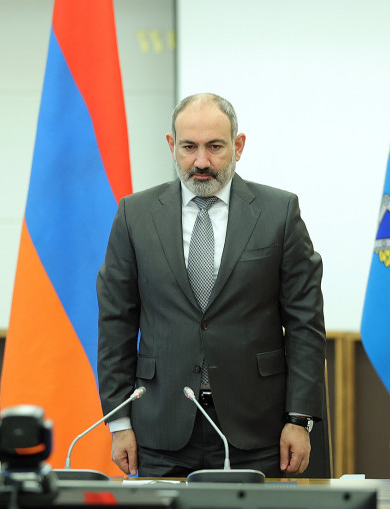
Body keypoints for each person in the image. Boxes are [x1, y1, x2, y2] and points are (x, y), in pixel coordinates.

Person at [97, 93, 325, 478]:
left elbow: (305, 324)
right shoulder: (134, 216)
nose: (201, 161)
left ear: (238, 146)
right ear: (172, 146)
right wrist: (119, 422)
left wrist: (299, 419)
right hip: (160, 427)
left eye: (215, 147)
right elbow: (116, 323)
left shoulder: (279, 213)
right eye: (189, 147)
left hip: (258, 430)